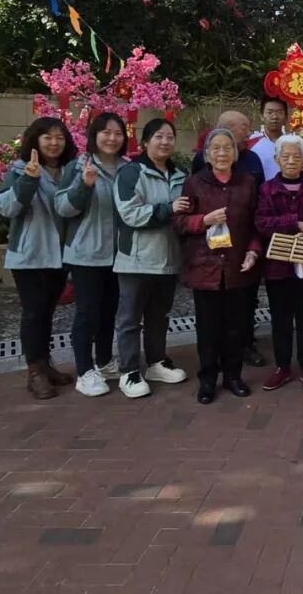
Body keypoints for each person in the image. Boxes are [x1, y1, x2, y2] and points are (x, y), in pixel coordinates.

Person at [173, 128, 261, 403]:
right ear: (207, 154)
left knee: (236, 327)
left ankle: (233, 376)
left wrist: (253, 251)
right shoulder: (194, 183)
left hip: (238, 265)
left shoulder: (248, 182)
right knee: (208, 328)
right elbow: (179, 222)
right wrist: (204, 221)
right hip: (205, 266)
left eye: (227, 148)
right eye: (216, 148)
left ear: (235, 154)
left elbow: (256, 224)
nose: (222, 153)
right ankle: (208, 379)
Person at [0, 117, 77, 400]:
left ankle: (45, 364)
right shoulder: (20, 170)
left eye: (59, 138)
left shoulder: (69, 172)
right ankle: (35, 373)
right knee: (33, 313)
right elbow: (6, 208)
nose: (54, 143)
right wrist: (28, 181)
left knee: (47, 312)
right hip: (30, 255)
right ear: (35, 140)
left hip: (60, 256)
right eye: (47, 137)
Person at [113, 118, 190, 399]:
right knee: (130, 318)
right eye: (158, 136)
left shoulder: (180, 175)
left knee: (159, 316)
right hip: (136, 259)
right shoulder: (131, 172)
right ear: (145, 142)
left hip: (168, 258)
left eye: (170, 136)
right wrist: (168, 209)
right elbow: (130, 214)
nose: (165, 141)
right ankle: (129, 371)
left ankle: (156, 362)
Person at [55, 112, 129, 397]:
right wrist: (84, 186)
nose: (112, 138)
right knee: (87, 313)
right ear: (94, 135)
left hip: (119, 254)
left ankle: (105, 361)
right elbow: (63, 208)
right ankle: (84, 371)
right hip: (86, 253)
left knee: (110, 311)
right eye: (106, 132)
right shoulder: (78, 166)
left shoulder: (128, 168)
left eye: (118, 133)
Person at [194, 109, 267, 367]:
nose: (248, 132)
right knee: (211, 313)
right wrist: (203, 221)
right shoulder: (199, 168)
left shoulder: (251, 163)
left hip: (242, 246)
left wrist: (254, 246)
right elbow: (188, 212)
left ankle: (244, 349)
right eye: (243, 127)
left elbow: (257, 206)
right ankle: (211, 365)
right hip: (209, 251)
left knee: (244, 304)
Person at [255, 134, 303, 392]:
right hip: (278, 265)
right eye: (285, 156)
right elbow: (262, 223)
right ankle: (282, 367)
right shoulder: (266, 189)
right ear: (276, 159)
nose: (291, 160)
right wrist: (296, 224)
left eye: (297, 155)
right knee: (280, 318)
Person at [191, 110, 265, 188]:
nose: (249, 134)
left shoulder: (252, 158)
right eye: (244, 129)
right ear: (227, 130)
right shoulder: (202, 158)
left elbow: (260, 189)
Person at [248, 96, 288, 181]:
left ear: (286, 117)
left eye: (279, 112)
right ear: (262, 116)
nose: (274, 117)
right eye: (269, 112)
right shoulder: (251, 143)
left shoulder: (293, 143)